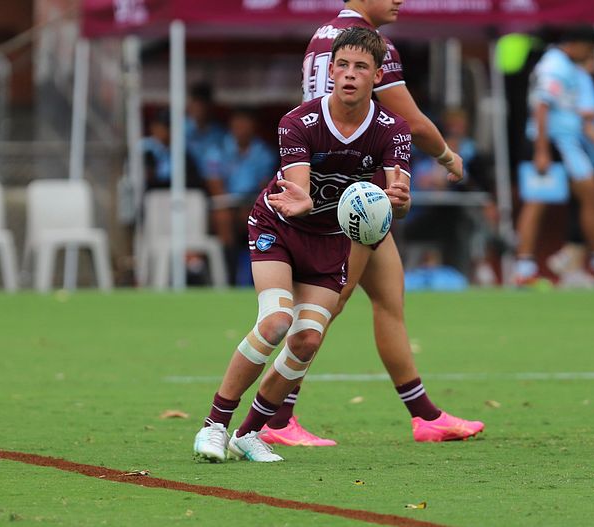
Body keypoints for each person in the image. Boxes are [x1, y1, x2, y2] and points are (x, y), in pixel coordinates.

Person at [256, 0, 484, 446]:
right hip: (347, 193)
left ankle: (424, 415)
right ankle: (276, 418)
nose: (400, 0)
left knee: (387, 296)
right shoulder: (374, 46)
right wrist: (447, 156)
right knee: (327, 306)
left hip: (351, 191)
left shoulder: (324, 35)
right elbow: (411, 122)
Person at [193, 27, 413, 462]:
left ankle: (249, 433)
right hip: (280, 228)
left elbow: (398, 198)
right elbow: (297, 194)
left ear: (377, 76)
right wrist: (305, 198)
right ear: (331, 71)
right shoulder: (298, 122)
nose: (349, 75)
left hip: (332, 242)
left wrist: (397, 202)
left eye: (361, 68)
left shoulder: (393, 129)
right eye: (343, 66)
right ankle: (214, 426)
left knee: (308, 340)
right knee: (275, 322)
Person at [515, 26, 594, 287]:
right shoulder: (554, 65)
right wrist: (542, 151)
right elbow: (541, 106)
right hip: (549, 142)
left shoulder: (568, 67)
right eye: (589, 49)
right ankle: (524, 269)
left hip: (566, 143)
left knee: (592, 195)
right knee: (537, 203)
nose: (590, 55)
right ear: (576, 43)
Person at [202, 107, 278, 285]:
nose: (241, 129)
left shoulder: (264, 152)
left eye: (245, 124)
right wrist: (230, 203)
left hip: (252, 203)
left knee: (254, 216)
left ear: (253, 127)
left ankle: (258, 272)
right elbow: (215, 186)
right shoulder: (217, 150)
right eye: (237, 125)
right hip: (225, 204)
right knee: (223, 217)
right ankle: (229, 273)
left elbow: (265, 186)